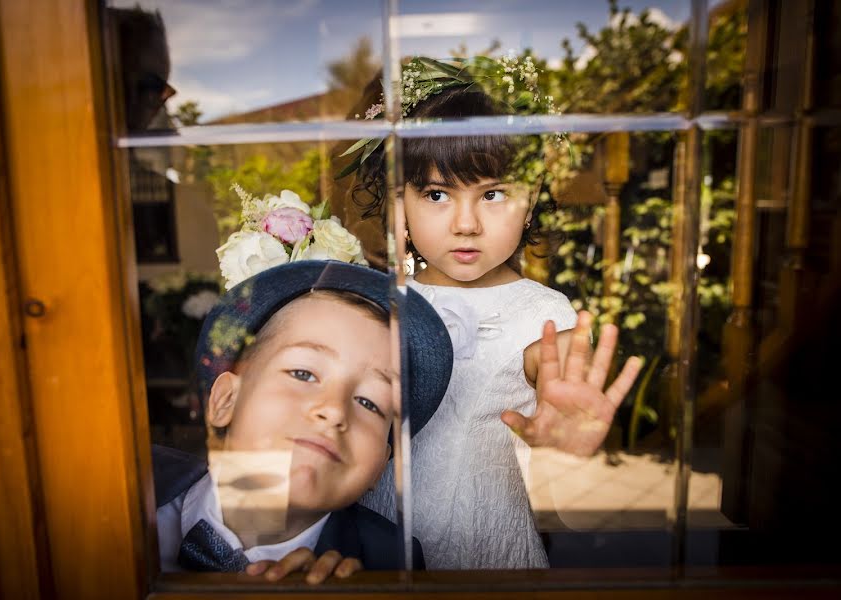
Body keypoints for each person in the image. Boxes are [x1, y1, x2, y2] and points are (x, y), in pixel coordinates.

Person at [345, 59, 643, 569]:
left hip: (486, 548)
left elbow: (565, 507)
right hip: (375, 544)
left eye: (494, 194)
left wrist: (564, 451)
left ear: (530, 205)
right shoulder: (377, 303)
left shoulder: (543, 315)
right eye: (436, 194)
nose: (466, 224)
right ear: (401, 205)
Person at [154, 260, 453, 581]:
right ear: (226, 400)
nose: (335, 410)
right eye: (303, 373)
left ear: (381, 465)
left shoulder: (392, 563)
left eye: (369, 402)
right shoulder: (123, 490)